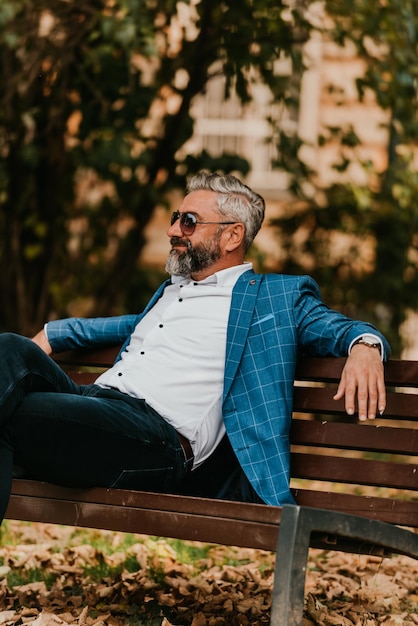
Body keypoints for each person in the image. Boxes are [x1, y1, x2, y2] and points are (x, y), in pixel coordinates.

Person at [0, 172, 390, 522]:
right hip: (96, 405)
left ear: (232, 235)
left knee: (18, 409)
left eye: (189, 221)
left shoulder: (275, 298)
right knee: (8, 348)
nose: (173, 229)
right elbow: (120, 326)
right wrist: (56, 333)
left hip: (156, 440)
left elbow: (338, 327)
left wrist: (366, 345)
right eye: (175, 217)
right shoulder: (174, 292)